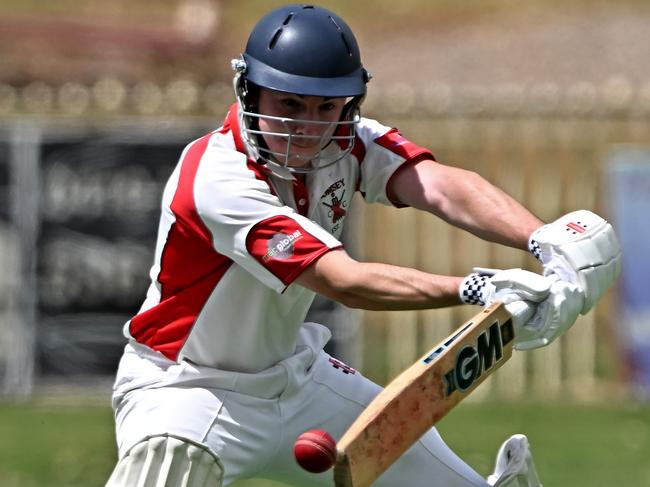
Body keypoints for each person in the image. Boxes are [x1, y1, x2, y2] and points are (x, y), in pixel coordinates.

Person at [105, 4, 621, 487]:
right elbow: (341, 280)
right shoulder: (217, 178)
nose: (306, 127)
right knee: (169, 457)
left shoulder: (347, 139)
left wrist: (543, 240)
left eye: (325, 106)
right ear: (249, 90)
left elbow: (440, 186)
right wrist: (476, 287)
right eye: (288, 104)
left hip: (296, 379)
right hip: (186, 391)